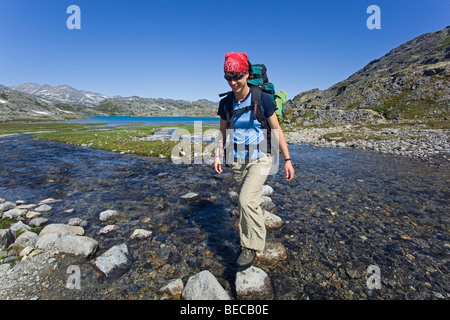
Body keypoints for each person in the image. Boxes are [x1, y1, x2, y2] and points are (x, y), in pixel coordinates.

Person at [214, 52, 294, 268]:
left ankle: (251, 247)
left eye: (237, 76)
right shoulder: (225, 103)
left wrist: (287, 159)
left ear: (247, 74)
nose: (233, 82)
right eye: (228, 77)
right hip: (238, 159)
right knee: (247, 203)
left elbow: (276, 130)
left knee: (246, 201)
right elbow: (222, 133)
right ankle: (252, 236)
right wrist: (218, 155)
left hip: (261, 157)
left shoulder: (263, 99)